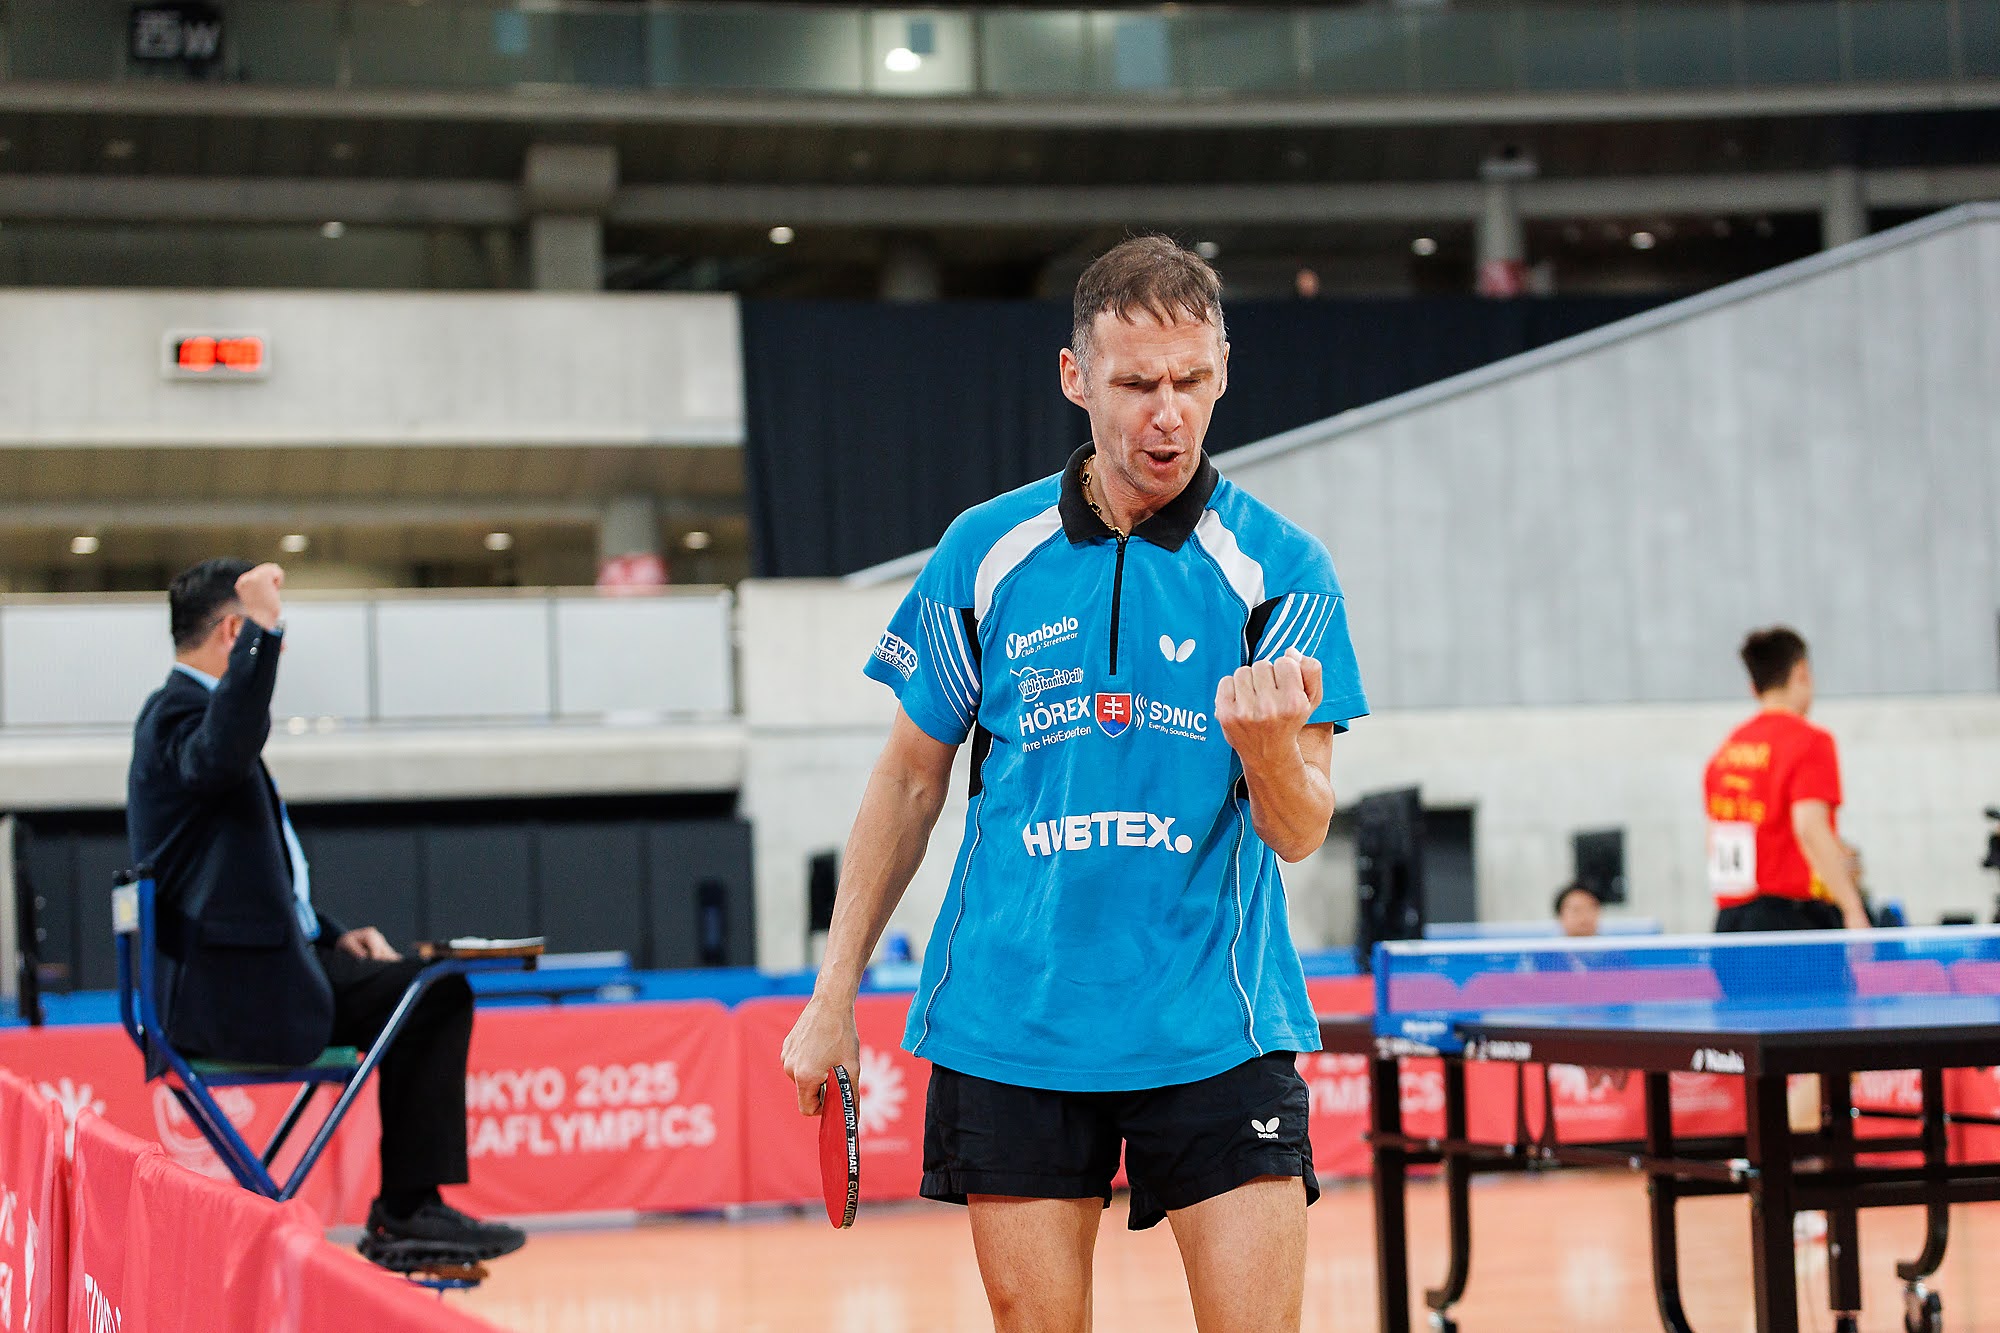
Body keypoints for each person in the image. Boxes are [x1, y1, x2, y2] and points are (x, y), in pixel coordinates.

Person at [781, 236, 1368, 1332]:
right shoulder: (984, 552)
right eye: (1136, 383)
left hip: (1217, 1021)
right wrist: (832, 993)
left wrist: (1266, 748)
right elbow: (907, 784)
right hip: (1013, 1021)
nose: (1167, 414)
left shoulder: (1280, 570)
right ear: (1074, 378)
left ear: (1222, 372)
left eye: (1192, 380)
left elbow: (1298, 829)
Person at [125, 558, 525, 1267]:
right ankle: (406, 1211)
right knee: (435, 994)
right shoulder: (176, 715)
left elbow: (251, 881)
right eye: (257, 633)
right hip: (234, 997)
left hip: (258, 973)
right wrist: (265, 631)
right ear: (233, 632)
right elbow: (222, 753)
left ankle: (408, 1210)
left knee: (423, 986)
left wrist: (334, 937)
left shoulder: (182, 718)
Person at [1703, 626, 1867, 933]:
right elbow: (1809, 827)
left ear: (1753, 688)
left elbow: (1713, 838)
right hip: (1793, 920)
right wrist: (1853, 910)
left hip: (1730, 922)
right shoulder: (1810, 741)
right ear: (1802, 671)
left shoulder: (1725, 752)